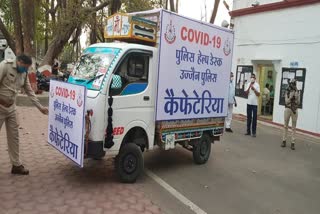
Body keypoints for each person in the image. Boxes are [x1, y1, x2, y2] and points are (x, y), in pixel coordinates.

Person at [0, 54, 48, 175]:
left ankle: (16, 165)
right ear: (19, 62)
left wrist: (40, 107)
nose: (26, 70)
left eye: (28, 68)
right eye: (25, 67)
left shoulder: (24, 73)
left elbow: (29, 91)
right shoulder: (5, 66)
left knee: (14, 137)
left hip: (11, 108)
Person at [282, 79, 300, 150]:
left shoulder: (297, 91)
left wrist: (296, 97)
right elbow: (286, 102)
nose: (292, 85)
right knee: (285, 126)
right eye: (292, 84)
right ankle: (284, 141)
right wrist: (291, 97)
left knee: (293, 127)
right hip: (288, 109)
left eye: (294, 84)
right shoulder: (287, 91)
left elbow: (298, 102)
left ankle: (293, 143)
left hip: (294, 110)